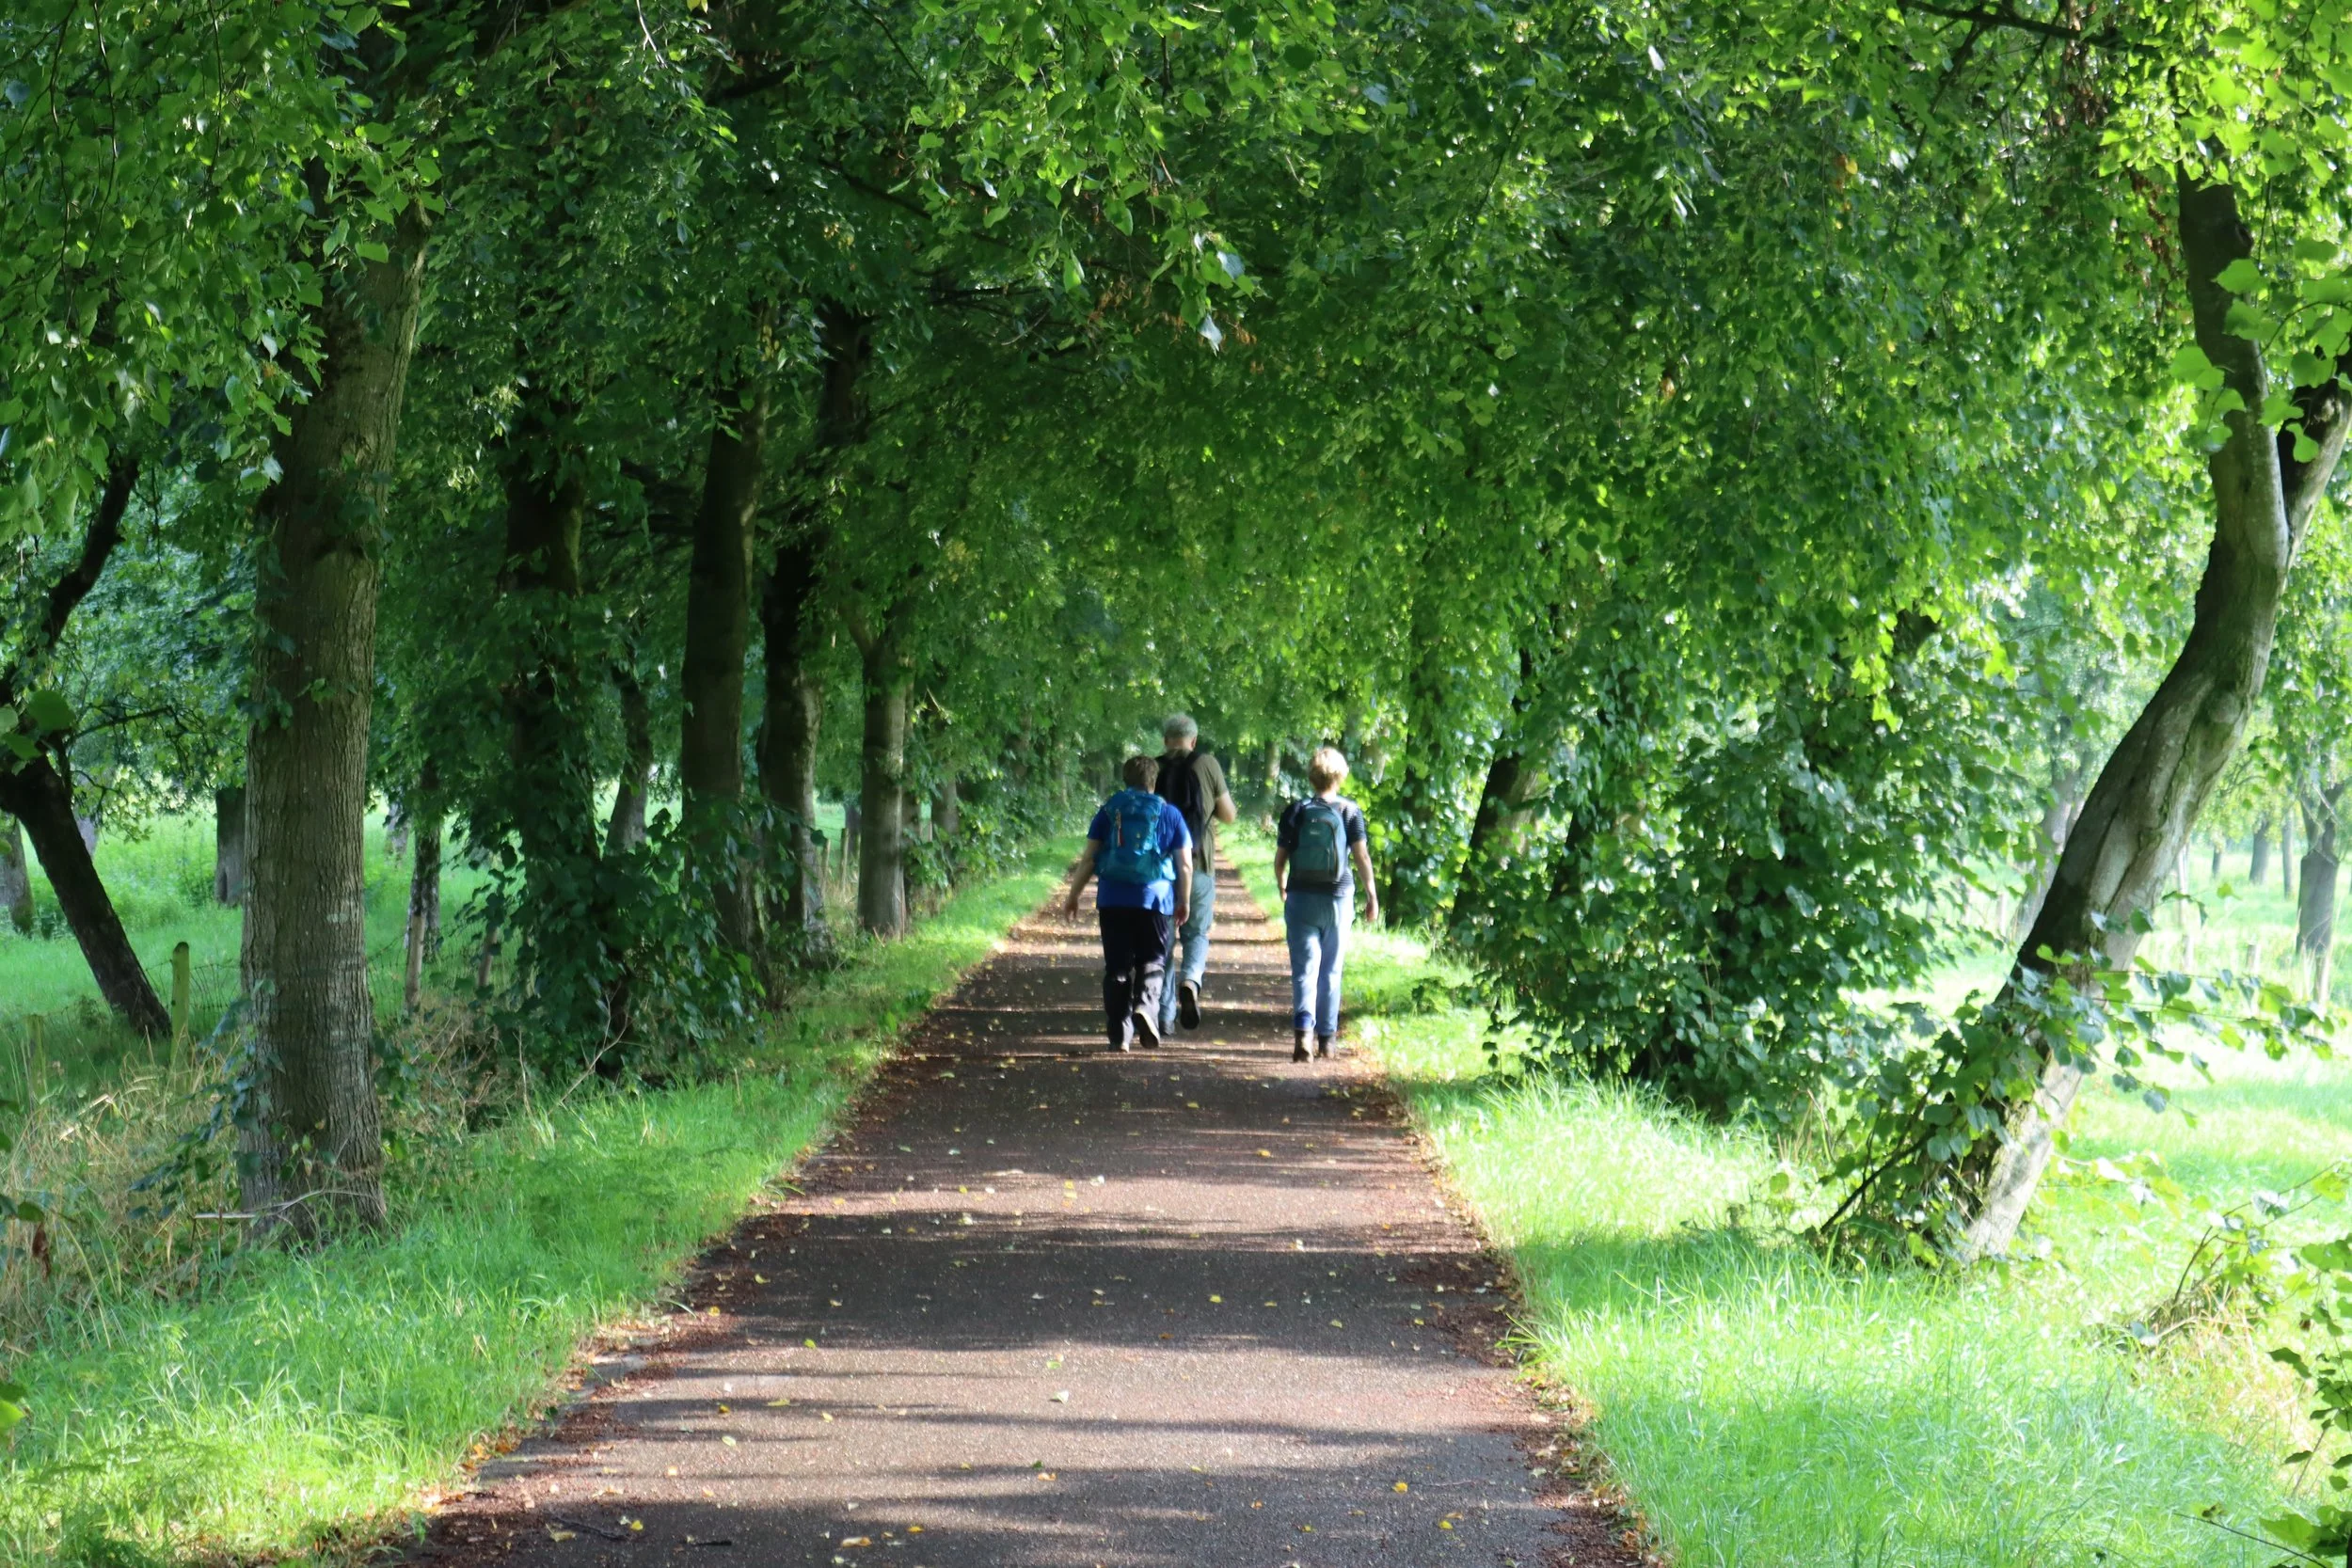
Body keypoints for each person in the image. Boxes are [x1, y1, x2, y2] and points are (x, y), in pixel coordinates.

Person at [1065, 755, 1193, 1052]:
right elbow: (1185, 864)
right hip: (1156, 898)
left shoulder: (1109, 811)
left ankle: (1119, 1036)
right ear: (1154, 781)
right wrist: (1183, 900)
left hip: (1113, 898)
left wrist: (1074, 895)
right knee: (1153, 960)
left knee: (1117, 968)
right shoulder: (1170, 813)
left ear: (1125, 779)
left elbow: (1089, 858)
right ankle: (1146, 1009)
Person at [1273, 746, 1378, 1063]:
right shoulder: (1350, 812)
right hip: (1338, 899)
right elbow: (1361, 856)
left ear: (1312, 776)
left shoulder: (1296, 810)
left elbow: (1280, 859)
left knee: (1305, 970)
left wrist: (1282, 884)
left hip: (1301, 897)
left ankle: (1303, 1034)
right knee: (1331, 971)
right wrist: (1371, 894)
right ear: (1341, 776)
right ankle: (1327, 1041)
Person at [1152, 713, 1238, 1034]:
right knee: (1196, 934)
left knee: (1161, 942)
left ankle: (1164, 1017)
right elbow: (1229, 815)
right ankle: (1191, 980)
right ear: (1194, 740)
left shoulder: (1153, 767)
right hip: (1199, 864)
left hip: (1159, 871)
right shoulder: (1208, 764)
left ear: (1165, 740)